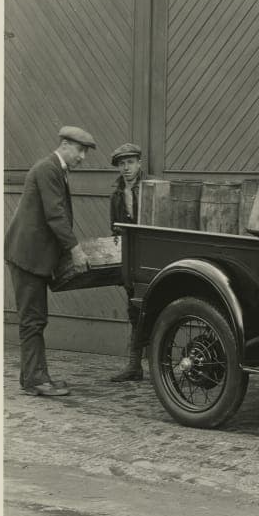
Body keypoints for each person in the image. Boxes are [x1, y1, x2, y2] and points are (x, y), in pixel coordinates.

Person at [4, 126, 95, 397]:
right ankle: (35, 380)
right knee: (33, 320)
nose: (82, 157)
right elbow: (55, 215)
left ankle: (34, 377)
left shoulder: (56, 169)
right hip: (28, 257)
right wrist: (75, 250)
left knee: (36, 319)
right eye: (80, 150)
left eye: (85, 152)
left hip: (32, 256)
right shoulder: (48, 169)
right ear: (65, 145)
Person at [108, 142, 147, 382]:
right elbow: (113, 229)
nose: (126, 168)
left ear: (139, 163)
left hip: (151, 257)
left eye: (130, 162)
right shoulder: (116, 194)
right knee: (134, 309)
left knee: (153, 308)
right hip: (129, 260)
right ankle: (134, 366)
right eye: (122, 164)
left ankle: (159, 365)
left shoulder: (152, 187)